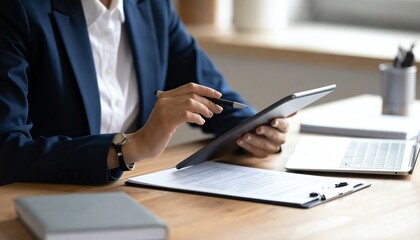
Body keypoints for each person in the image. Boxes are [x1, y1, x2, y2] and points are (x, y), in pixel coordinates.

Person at [0, 0, 290, 186]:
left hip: (127, 195)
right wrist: (127, 148)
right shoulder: (17, 10)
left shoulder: (152, 6)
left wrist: (257, 130)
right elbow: (6, 149)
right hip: (42, 203)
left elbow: (215, 95)